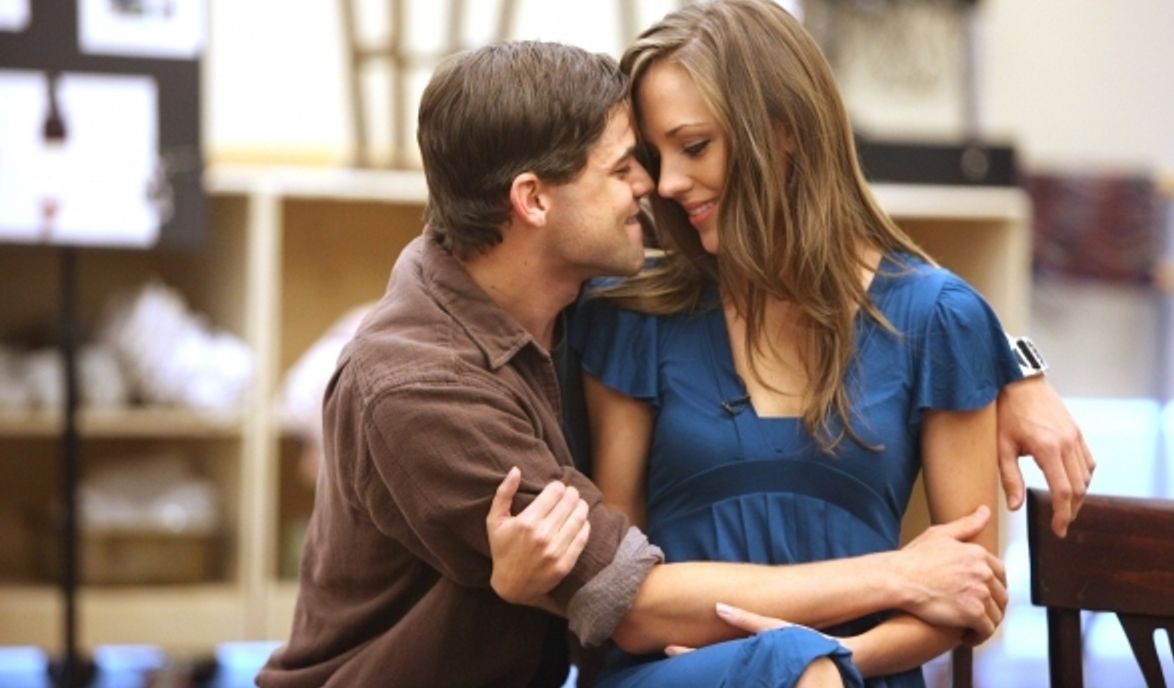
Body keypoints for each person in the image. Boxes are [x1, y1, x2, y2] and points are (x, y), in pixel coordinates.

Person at [257, 40, 1018, 688]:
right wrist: (899, 574)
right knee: (796, 673)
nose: (654, 186)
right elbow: (633, 601)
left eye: (677, 153)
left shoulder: (572, 292)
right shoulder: (427, 387)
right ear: (533, 201)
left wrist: (1015, 372)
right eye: (627, 166)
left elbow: (860, 278)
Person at [485, 0, 1095, 687]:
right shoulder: (632, 315)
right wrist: (810, 647)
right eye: (656, 156)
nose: (669, 184)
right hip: (676, 672)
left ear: (785, 131)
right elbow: (626, 602)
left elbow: (969, 593)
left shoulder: (940, 319)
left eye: (694, 146)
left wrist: (830, 658)